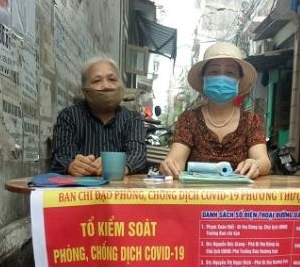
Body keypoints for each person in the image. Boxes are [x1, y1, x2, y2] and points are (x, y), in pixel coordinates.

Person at [159, 42, 271, 179]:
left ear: (239, 80)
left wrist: (256, 165)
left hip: (240, 198)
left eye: (230, 72)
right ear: (203, 78)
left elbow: (263, 161)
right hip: (196, 198)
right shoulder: (188, 119)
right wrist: (170, 166)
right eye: (214, 71)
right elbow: (176, 160)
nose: (222, 77)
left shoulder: (251, 121)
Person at [51, 57, 146, 176]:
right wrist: (71, 166)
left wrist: (119, 166)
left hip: (119, 191)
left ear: (121, 88)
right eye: (96, 81)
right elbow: (61, 156)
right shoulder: (69, 116)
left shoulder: (133, 119)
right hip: (79, 192)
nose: (106, 86)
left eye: (112, 79)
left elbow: (137, 154)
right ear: (85, 91)